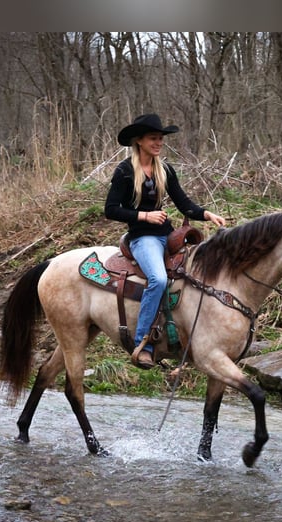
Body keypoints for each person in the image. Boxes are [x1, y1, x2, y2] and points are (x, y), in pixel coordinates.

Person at [105, 113, 226, 369]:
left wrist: (206, 214)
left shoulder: (165, 169)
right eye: (153, 139)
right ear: (139, 141)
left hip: (167, 235)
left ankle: (191, 337)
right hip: (142, 237)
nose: (158, 143)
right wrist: (145, 215)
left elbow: (183, 203)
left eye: (161, 139)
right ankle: (143, 344)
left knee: (197, 274)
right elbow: (111, 209)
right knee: (158, 279)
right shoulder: (125, 172)